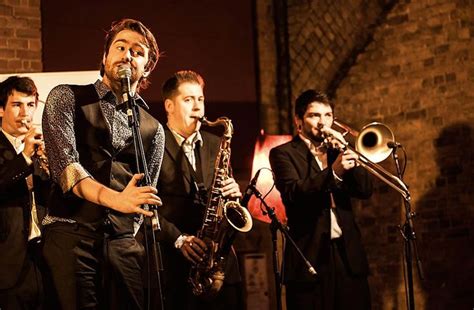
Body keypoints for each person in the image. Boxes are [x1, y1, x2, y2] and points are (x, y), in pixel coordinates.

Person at [41, 18, 164, 309]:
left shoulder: (154, 129)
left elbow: (145, 193)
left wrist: (124, 231)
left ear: (147, 66)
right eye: (120, 47)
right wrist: (117, 201)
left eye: (138, 51)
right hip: (71, 235)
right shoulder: (65, 97)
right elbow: (67, 169)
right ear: (105, 56)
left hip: (122, 246)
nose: (128, 54)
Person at [269, 90, 373, 310]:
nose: (323, 122)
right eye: (315, 115)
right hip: (310, 257)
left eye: (328, 115)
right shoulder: (283, 153)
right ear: (298, 120)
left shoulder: (338, 152)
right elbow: (293, 193)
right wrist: (333, 173)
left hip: (348, 257)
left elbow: (365, 190)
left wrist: (347, 149)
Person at [155, 70, 244, 309]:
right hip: (177, 270)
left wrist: (233, 197)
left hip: (219, 267)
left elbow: (227, 208)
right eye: (188, 100)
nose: (198, 107)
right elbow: (144, 207)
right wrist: (178, 239)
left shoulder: (216, 144)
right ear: (169, 106)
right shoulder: (152, 145)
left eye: (200, 99)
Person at [0, 76, 50, 309]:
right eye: (17, 105)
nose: (25, 113)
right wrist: (25, 158)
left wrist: (51, 173)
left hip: (42, 258)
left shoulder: (41, 146)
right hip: (7, 261)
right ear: (0, 110)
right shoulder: (27, 150)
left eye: (30, 105)